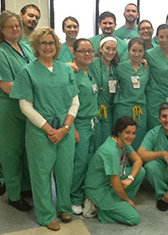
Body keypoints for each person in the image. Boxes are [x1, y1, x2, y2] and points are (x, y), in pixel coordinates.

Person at [10, 27, 79, 231]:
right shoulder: (27, 72)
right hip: (41, 131)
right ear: (36, 46)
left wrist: (66, 128)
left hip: (65, 128)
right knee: (41, 173)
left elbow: (75, 101)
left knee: (65, 171)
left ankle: (64, 207)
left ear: (56, 46)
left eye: (51, 43)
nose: (48, 46)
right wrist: (50, 129)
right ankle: (47, 214)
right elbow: (25, 106)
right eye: (43, 43)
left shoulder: (66, 69)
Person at [0, 10, 32, 209]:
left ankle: (25, 187)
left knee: (26, 149)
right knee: (12, 151)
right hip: (9, 107)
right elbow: (7, 86)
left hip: (27, 106)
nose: (15, 29)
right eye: (10, 26)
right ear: (1, 30)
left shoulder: (25, 47)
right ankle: (14, 195)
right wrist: (39, 89)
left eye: (17, 26)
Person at [84, 116, 145, 225]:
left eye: (133, 133)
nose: (131, 137)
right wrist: (128, 200)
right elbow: (117, 186)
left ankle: (116, 204)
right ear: (119, 132)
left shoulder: (122, 143)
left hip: (109, 183)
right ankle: (101, 210)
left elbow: (138, 160)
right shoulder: (111, 151)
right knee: (133, 218)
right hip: (97, 189)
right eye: (128, 133)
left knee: (140, 172)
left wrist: (129, 179)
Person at [70, 39, 98, 215]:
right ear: (74, 53)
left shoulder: (90, 71)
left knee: (89, 161)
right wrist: (72, 128)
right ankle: (73, 197)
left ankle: (84, 193)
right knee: (79, 162)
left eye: (90, 51)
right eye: (83, 51)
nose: (87, 54)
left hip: (93, 122)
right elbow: (67, 102)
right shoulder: (72, 72)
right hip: (79, 122)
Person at [113, 37, 149, 150]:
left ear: (144, 52)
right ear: (128, 51)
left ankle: (136, 166)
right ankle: (120, 165)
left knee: (138, 139)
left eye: (140, 51)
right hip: (124, 108)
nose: (137, 54)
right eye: (134, 51)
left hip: (141, 110)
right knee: (122, 141)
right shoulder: (120, 68)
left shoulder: (146, 68)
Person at [88, 36, 120, 148]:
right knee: (96, 141)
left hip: (109, 110)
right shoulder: (93, 63)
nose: (110, 52)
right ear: (100, 49)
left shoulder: (115, 67)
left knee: (107, 140)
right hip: (96, 109)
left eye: (114, 49)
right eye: (107, 48)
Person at [146, 24, 168, 130]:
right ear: (157, 38)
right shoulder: (149, 55)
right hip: (155, 99)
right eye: (161, 37)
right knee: (155, 128)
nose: (164, 40)